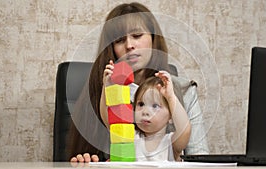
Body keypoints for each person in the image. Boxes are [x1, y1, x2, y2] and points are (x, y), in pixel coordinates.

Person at [68, 2, 209, 163]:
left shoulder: (183, 91)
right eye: (120, 40)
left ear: (153, 39)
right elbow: (106, 121)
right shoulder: (105, 92)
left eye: (137, 36)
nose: (129, 45)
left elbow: (199, 158)